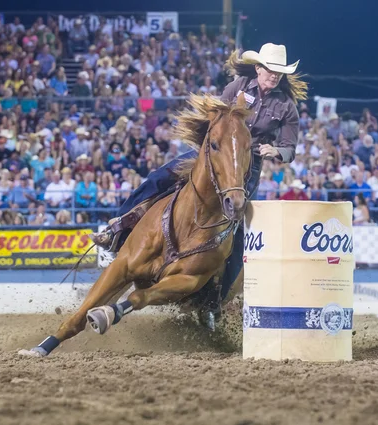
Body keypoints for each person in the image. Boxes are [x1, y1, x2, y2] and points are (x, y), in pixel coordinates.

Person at [90, 43, 306, 329]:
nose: (275, 75)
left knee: (237, 230)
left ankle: (214, 298)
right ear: (258, 68)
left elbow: (290, 149)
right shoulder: (237, 87)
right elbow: (214, 121)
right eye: (270, 70)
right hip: (214, 155)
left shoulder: (286, 107)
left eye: (279, 71)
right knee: (159, 177)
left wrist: (275, 151)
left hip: (247, 166)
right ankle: (116, 229)